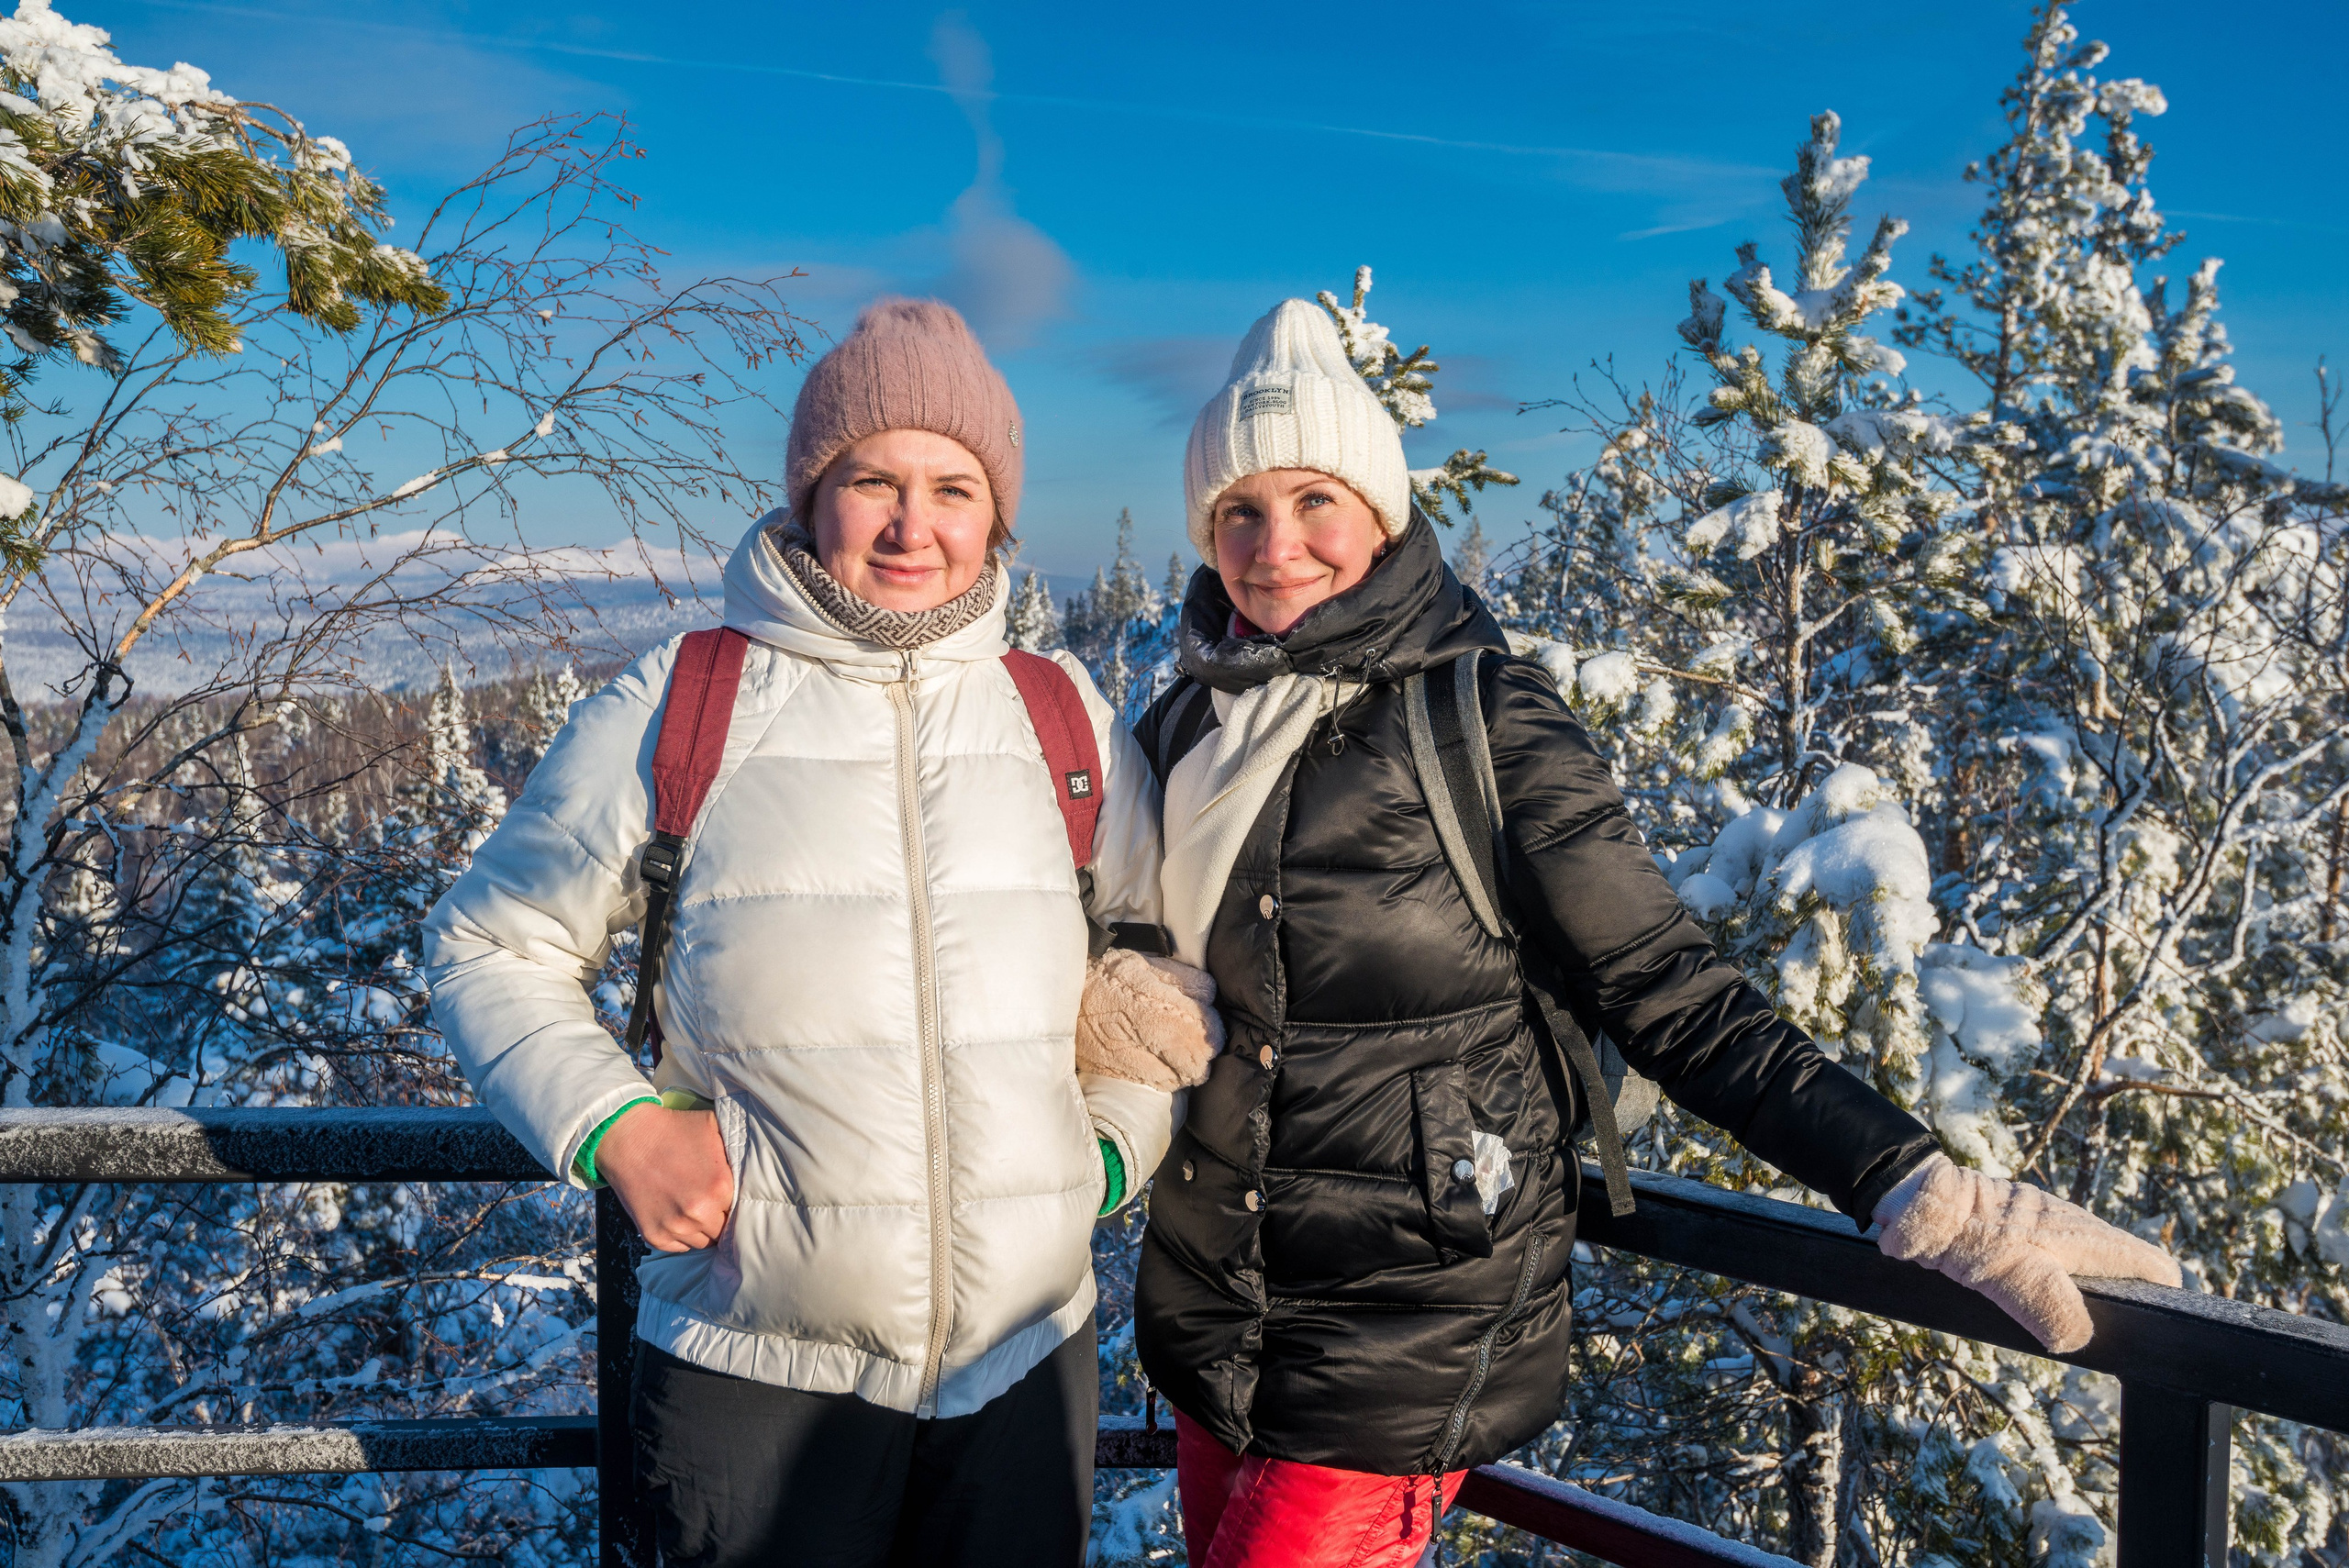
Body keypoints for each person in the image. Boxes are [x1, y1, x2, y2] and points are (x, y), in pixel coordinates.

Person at [1130, 299, 2183, 1568]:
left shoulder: (1481, 714)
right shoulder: (1188, 722)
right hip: (1211, 1309)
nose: (1275, 545)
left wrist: (1919, 1186)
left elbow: (1673, 991)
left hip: (1400, 1326)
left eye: (1315, 502)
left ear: (1382, 513)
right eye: (1240, 510)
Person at [425, 299, 1219, 1568]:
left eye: (954, 486)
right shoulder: (683, 700)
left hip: (1027, 1362)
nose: (916, 525)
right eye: (873, 480)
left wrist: (1112, 1149)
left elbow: (1145, 962)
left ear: (996, 512)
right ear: (810, 496)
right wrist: (616, 1125)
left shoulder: (1055, 712)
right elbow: (489, 946)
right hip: (755, 1370)